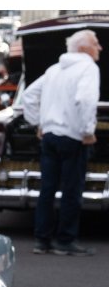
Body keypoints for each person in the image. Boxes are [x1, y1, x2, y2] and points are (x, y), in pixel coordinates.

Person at [20, 28, 102, 256]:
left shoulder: (54, 69)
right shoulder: (88, 68)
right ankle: (65, 240)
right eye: (96, 43)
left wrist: (38, 123)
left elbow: (28, 95)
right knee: (71, 191)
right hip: (73, 138)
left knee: (47, 190)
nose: (100, 47)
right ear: (84, 48)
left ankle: (42, 240)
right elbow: (85, 100)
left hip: (49, 137)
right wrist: (87, 131)